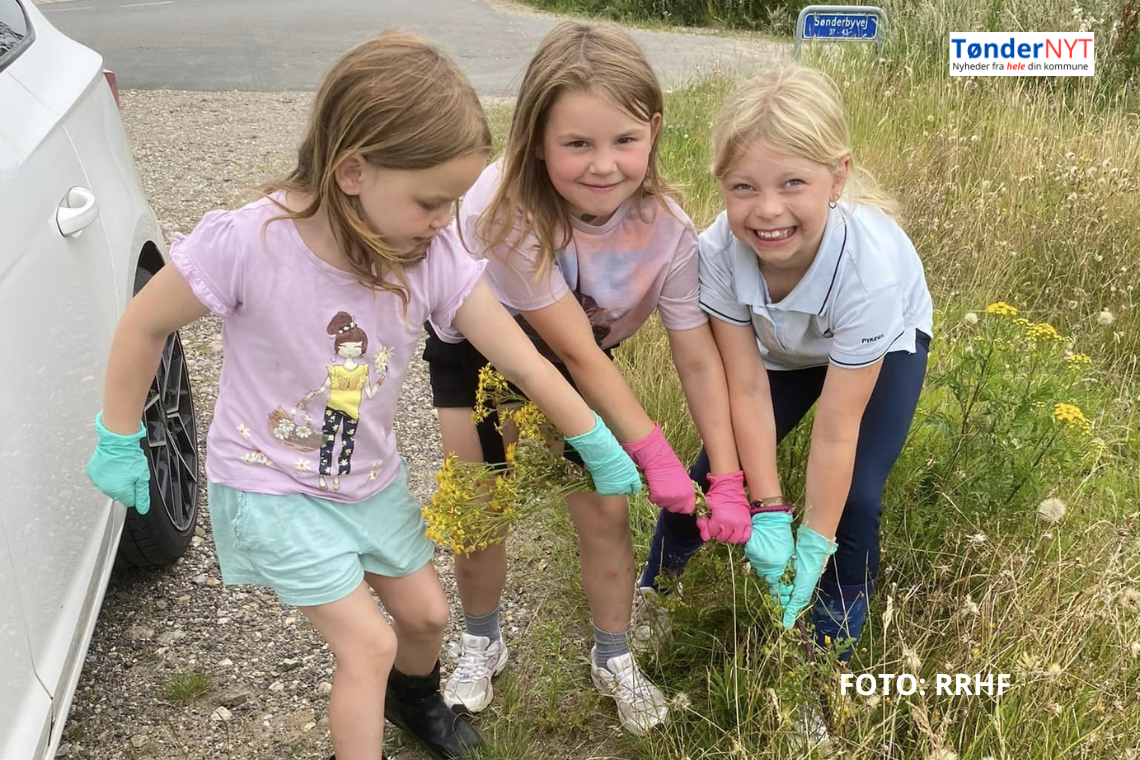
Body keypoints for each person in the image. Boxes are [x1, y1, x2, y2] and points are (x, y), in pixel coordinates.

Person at [85, 32, 640, 760]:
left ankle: (414, 706)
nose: (448, 219)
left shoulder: (431, 254)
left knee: (427, 619)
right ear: (353, 171)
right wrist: (119, 434)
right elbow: (144, 322)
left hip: (368, 479)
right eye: (432, 201)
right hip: (270, 481)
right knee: (370, 643)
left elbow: (529, 366)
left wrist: (596, 441)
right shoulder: (248, 244)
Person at [422, 20, 745, 735]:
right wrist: (652, 453)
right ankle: (481, 639)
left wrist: (725, 474)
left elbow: (696, 356)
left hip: (586, 360)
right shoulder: (500, 211)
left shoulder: (670, 232)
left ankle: (615, 655)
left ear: (654, 131)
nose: (604, 165)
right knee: (480, 504)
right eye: (577, 144)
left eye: (625, 141)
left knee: (603, 514)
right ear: (535, 138)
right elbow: (568, 352)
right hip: (481, 352)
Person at [639, 63, 933, 741]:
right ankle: (659, 585)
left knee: (857, 499)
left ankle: (820, 657)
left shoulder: (873, 267)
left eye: (792, 183)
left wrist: (813, 538)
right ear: (721, 185)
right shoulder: (714, 252)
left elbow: (835, 427)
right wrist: (767, 507)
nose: (767, 211)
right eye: (744, 187)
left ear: (839, 178)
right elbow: (742, 386)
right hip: (780, 350)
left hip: (878, 348)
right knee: (709, 473)